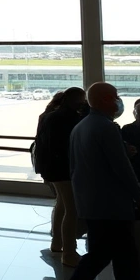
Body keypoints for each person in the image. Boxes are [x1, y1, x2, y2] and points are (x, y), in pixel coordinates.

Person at [60, 82, 140, 280]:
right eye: (115, 96)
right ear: (105, 100)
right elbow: (123, 169)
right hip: (112, 207)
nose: (118, 101)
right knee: (121, 258)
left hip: (92, 205)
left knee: (105, 255)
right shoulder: (107, 128)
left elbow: (75, 168)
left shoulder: (80, 127)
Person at [34, 86, 85, 266]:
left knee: (62, 204)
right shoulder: (70, 119)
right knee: (71, 208)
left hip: (50, 168)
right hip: (63, 169)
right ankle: (69, 253)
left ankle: (57, 243)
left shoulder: (49, 116)